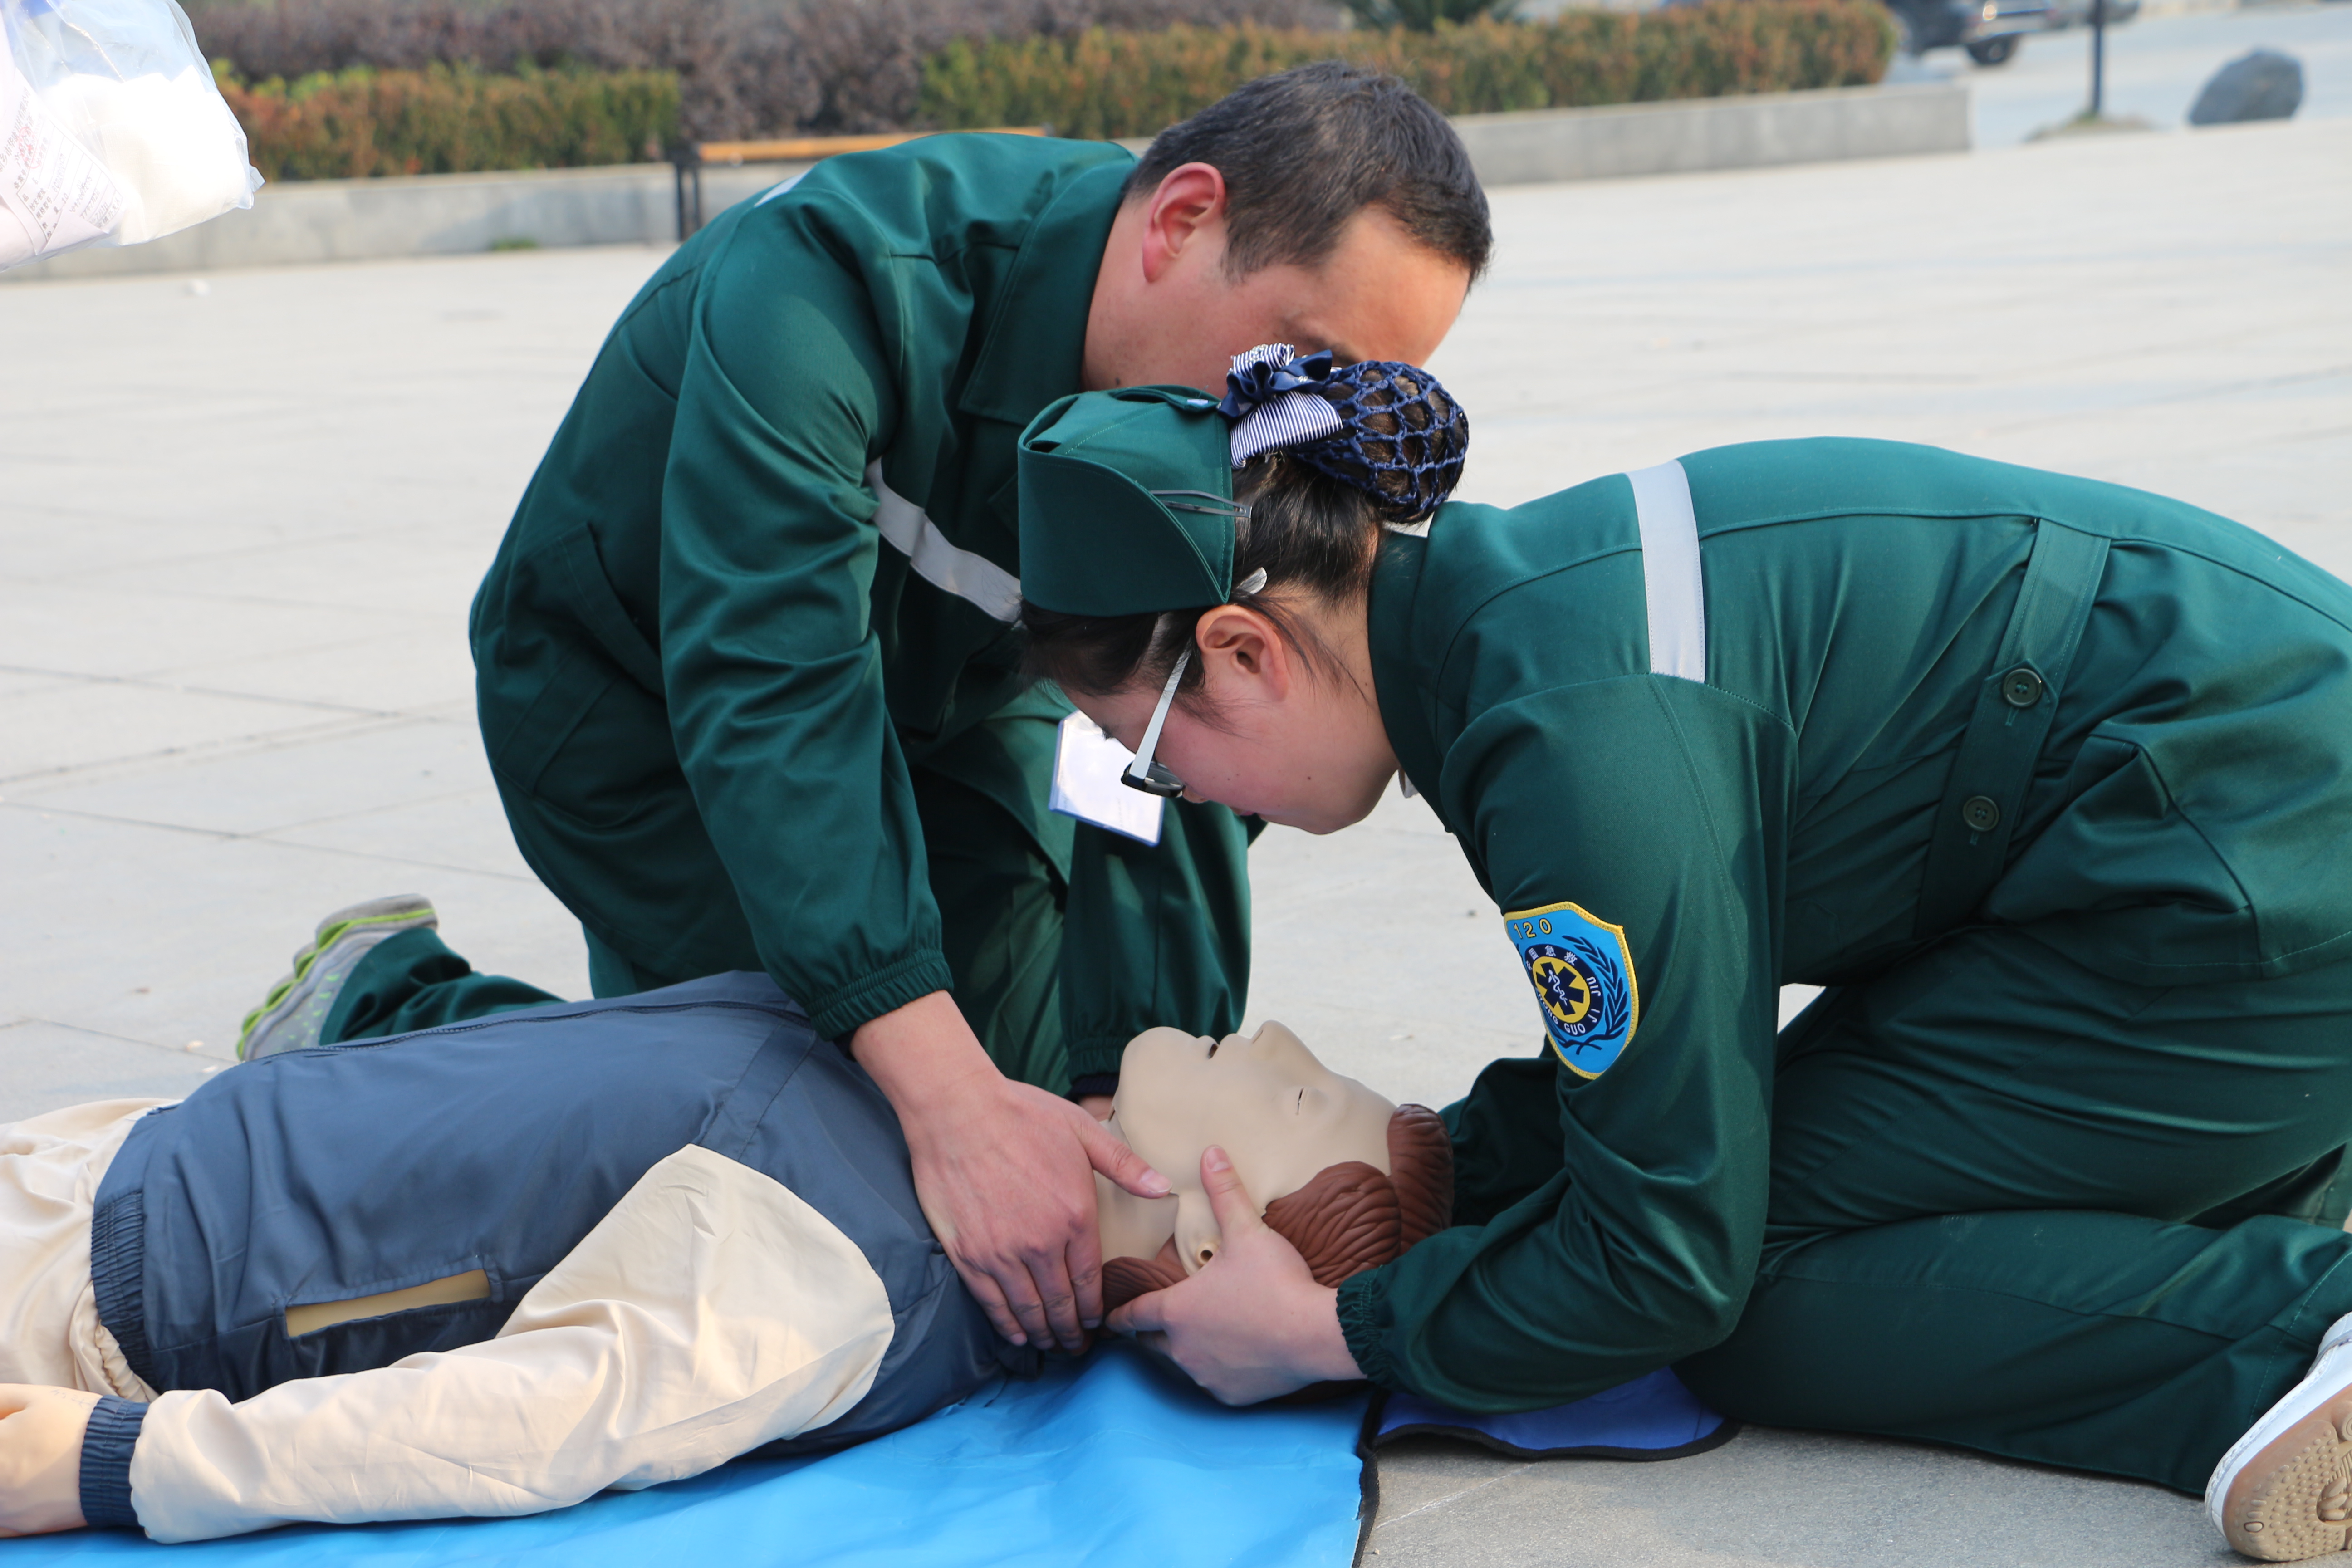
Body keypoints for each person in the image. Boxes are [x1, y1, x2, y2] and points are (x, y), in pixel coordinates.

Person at [235, 64, 1491, 1367]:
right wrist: (941, 1101)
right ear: (1180, 221)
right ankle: (382, 1004)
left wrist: (1125, 1072)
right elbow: (774, 695)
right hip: (651, 712)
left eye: (1347, 396)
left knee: (1041, 1142)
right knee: (793, 1142)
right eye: (1299, 357)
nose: (1299, 427)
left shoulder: (1228, 434)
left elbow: (1154, 749)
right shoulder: (835, 283)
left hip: (948, 712)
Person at [1010, 348, 2352, 1562]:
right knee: (1758, 1182)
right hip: (2182, 847)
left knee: (1752, 1303)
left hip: (2247, 881)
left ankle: (2299, 1337)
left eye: (1155, 754)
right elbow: (1647, 1082)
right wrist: (1448, 1178)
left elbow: (1668, 1257)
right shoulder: (1504, 625)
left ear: (1244, 650)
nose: (1178, 794)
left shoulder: (1573, 747)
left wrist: (1328, 1336)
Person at [0, 930, 1448, 1543]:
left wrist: (113, 1466)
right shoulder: (948, 1110)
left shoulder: (844, 1280)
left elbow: (514, 1427)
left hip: (90, 1289)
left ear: (1209, 1240)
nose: (1271, 1035)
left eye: (1298, 1089)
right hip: (113, 1163)